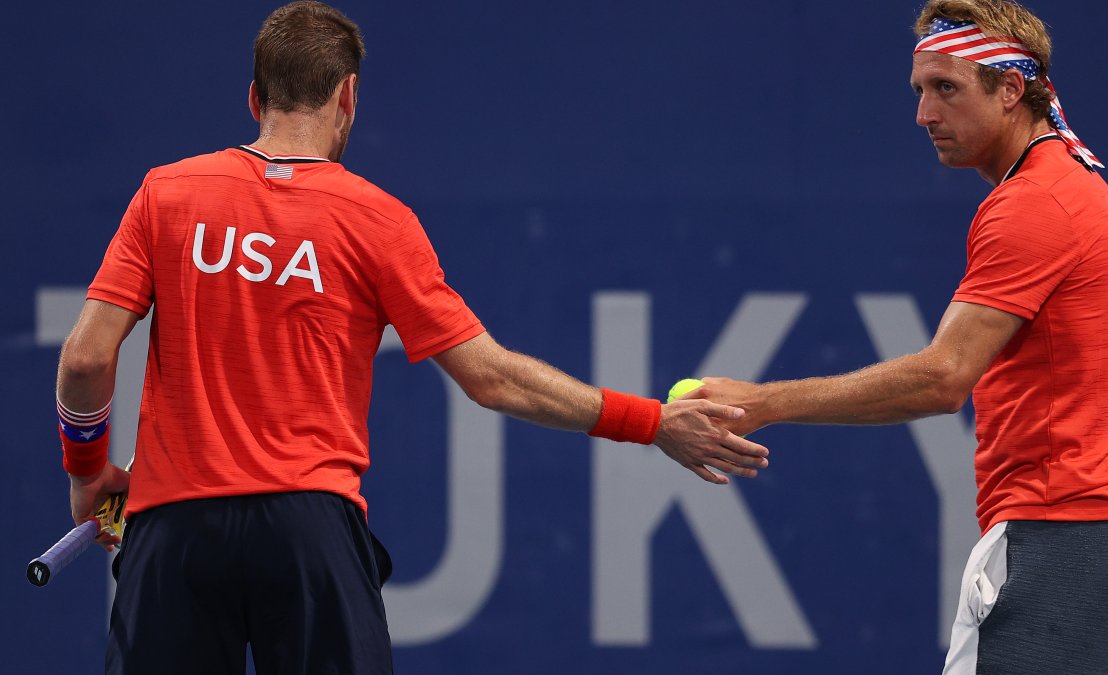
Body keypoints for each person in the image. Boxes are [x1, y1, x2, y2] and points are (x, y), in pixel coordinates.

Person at [54, 2, 769, 673]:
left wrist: (88, 474)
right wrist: (652, 423)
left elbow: (86, 358)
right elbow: (492, 377)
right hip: (309, 531)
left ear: (254, 98)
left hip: (174, 531)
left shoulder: (167, 193)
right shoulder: (377, 220)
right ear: (348, 97)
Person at [688, 1, 1108, 672]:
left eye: (946, 88)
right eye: (919, 90)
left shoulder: (1032, 204)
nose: (923, 114)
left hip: (1062, 536)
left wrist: (763, 401)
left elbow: (944, 378)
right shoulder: (1081, 188)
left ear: (1010, 88)